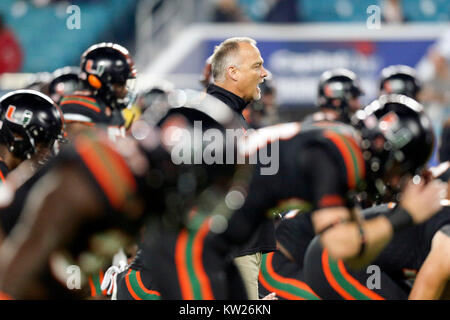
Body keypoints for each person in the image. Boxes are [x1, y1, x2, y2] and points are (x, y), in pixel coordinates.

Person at [212, 93, 446, 299]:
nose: (395, 181)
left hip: (235, 238)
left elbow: (354, 249)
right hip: (224, 237)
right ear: (384, 148)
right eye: (399, 172)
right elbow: (338, 246)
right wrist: (406, 214)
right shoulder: (338, 153)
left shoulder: (340, 145)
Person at [59, 42, 137, 140]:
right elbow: (76, 148)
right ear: (97, 81)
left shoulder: (113, 111)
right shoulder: (78, 106)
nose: (125, 90)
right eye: (120, 84)